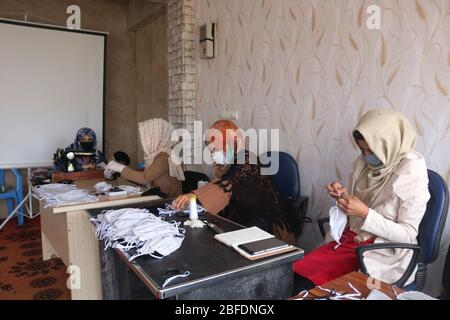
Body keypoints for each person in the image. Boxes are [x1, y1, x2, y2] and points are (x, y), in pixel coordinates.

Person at [293, 109, 430, 291]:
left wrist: (365, 214)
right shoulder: (364, 164)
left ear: (388, 146)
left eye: (370, 150)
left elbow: (408, 234)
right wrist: (342, 197)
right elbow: (360, 204)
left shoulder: (412, 174)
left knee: (306, 287)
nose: (366, 156)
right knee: (291, 274)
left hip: (380, 250)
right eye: (362, 149)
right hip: (353, 238)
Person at [172, 120, 296, 244]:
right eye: (212, 150)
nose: (214, 154)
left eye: (217, 148)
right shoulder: (225, 165)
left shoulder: (247, 160)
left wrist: (194, 196)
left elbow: (230, 183)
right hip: (240, 219)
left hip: (266, 225)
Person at [104, 118, 184, 198]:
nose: (144, 143)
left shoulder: (165, 156)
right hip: (158, 198)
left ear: (158, 138)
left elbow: (145, 178)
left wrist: (118, 167)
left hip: (169, 202)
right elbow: (145, 171)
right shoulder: (156, 155)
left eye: (148, 138)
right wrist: (117, 172)